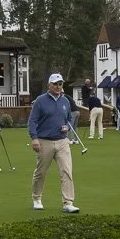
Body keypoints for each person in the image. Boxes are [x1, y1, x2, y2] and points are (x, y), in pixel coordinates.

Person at [28, 73, 80, 211]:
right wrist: (34, 138)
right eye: (55, 84)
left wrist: (67, 127)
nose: (58, 86)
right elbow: (32, 121)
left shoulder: (65, 101)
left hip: (62, 141)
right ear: (49, 85)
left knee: (66, 171)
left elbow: (68, 120)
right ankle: (37, 198)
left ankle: (68, 203)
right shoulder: (40, 101)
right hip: (44, 141)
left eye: (60, 84)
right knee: (41, 172)